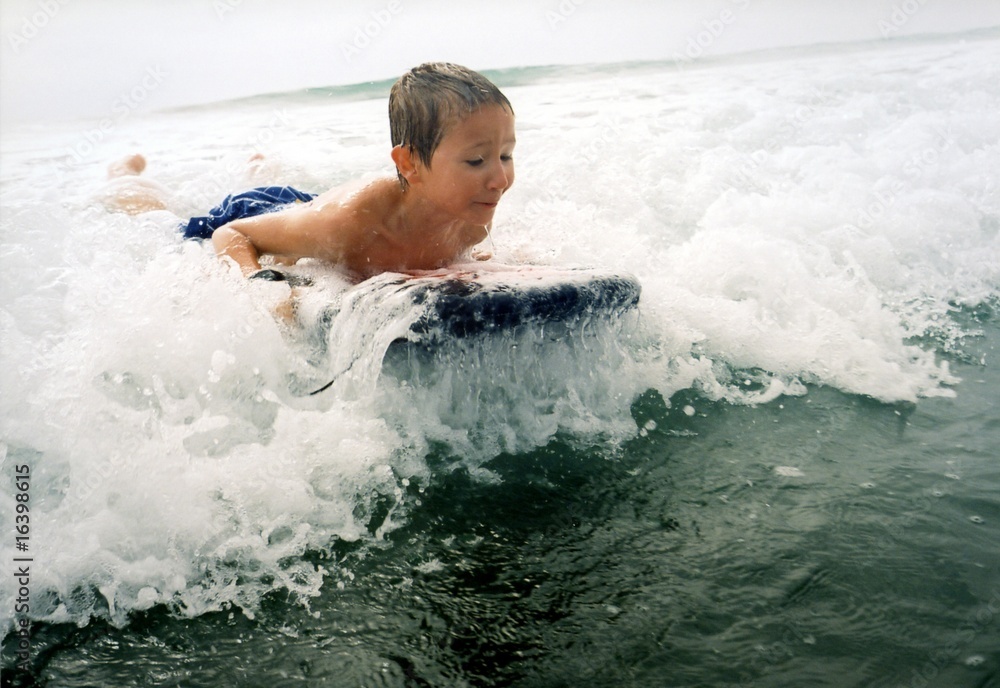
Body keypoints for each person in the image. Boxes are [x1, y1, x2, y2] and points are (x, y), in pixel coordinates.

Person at [186, 62, 516, 281]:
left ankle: (260, 166)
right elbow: (231, 234)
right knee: (171, 227)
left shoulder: (471, 217)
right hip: (260, 212)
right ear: (410, 165)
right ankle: (138, 186)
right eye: (476, 161)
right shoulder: (347, 225)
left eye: (505, 155)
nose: (500, 180)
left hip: (310, 213)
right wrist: (261, 285)